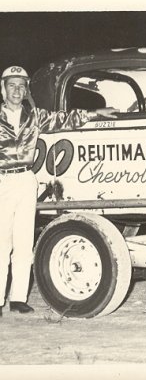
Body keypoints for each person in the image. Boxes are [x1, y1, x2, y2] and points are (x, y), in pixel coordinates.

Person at [0, 65, 117, 316]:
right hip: (2, 181)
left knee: (23, 241)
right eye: (12, 85)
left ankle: (18, 298)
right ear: (3, 89)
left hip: (26, 180)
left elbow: (65, 118)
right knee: (1, 242)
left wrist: (96, 112)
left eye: (21, 86)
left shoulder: (34, 117)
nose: (17, 90)